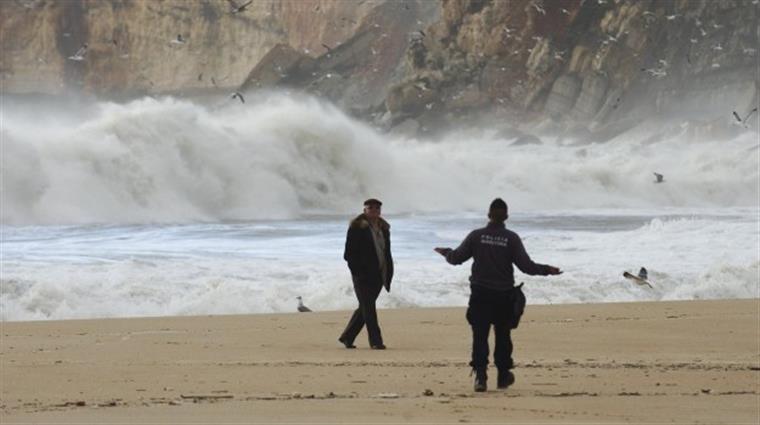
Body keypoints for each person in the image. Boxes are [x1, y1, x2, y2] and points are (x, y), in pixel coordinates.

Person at [434, 198, 562, 392]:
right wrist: (547, 270)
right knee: (503, 336)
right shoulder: (511, 238)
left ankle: (480, 377)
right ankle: (503, 375)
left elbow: (456, 259)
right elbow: (526, 267)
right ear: (506, 217)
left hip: (480, 295)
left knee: (480, 336)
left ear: (488, 215)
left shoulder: (476, 236)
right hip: (503, 296)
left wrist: (446, 252)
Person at [339, 198, 394, 350]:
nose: (374, 211)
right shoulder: (357, 227)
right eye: (370, 208)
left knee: (365, 307)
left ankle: (347, 337)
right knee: (369, 307)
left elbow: (386, 252)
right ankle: (376, 341)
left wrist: (388, 270)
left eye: (377, 208)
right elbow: (348, 254)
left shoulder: (384, 228)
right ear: (364, 210)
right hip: (362, 275)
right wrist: (357, 271)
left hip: (379, 274)